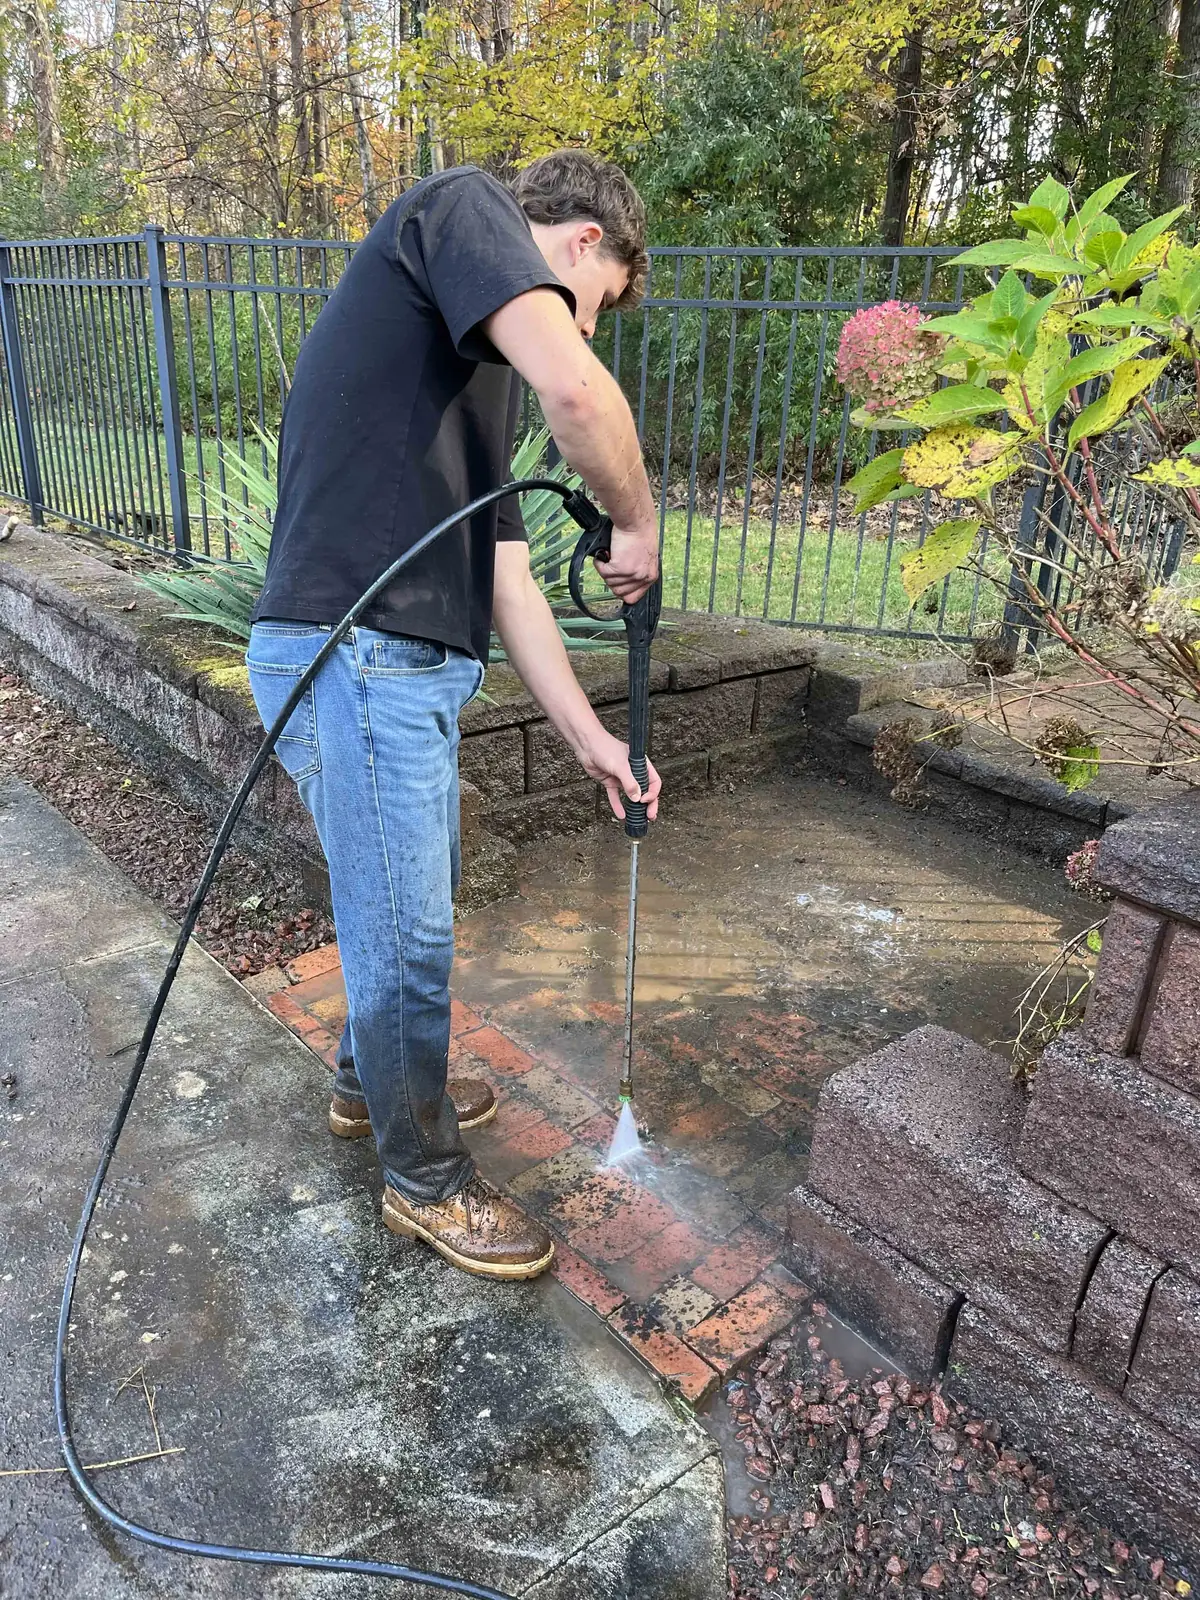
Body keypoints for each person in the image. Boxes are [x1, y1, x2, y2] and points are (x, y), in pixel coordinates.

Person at [246, 150, 662, 1281]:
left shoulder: (466, 380)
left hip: (387, 662)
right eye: (599, 305)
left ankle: (364, 1084)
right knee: (409, 930)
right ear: (584, 244)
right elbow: (580, 391)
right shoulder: (462, 207)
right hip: (355, 651)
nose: (584, 333)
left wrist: (598, 746)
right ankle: (423, 1178)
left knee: (399, 899)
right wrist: (639, 516)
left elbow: (510, 584)